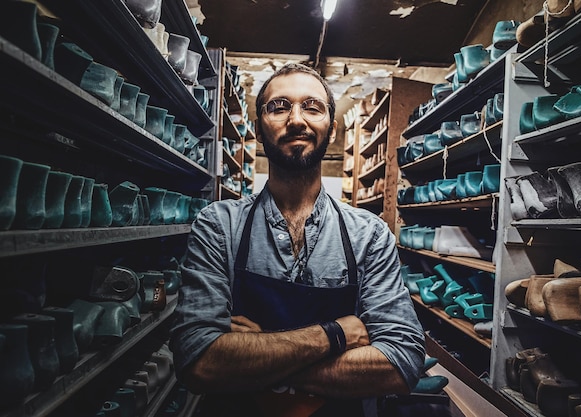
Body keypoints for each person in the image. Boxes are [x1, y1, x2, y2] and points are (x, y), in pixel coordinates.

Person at [169, 63, 426, 416]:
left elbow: (401, 362)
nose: (296, 120)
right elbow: (197, 361)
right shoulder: (219, 225)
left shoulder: (369, 234)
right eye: (279, 107)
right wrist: (335, 335)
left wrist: (255, 353)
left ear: (331, 129)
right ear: (259, 129)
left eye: (312, 107)